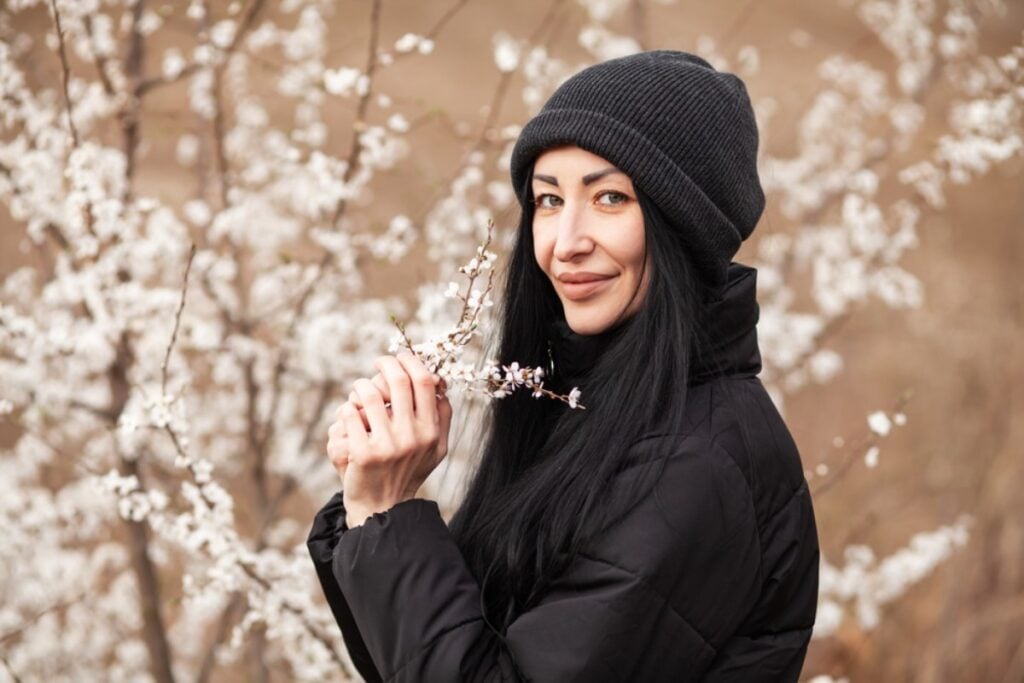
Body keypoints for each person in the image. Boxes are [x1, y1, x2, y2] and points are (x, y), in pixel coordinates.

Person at [307, 50, 819, 682]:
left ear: (686, 227)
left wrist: (389, 518)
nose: (565, 243)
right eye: (548, 201)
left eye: (609, 197)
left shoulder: (697, 464)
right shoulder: (593, 409)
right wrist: (366, 505)